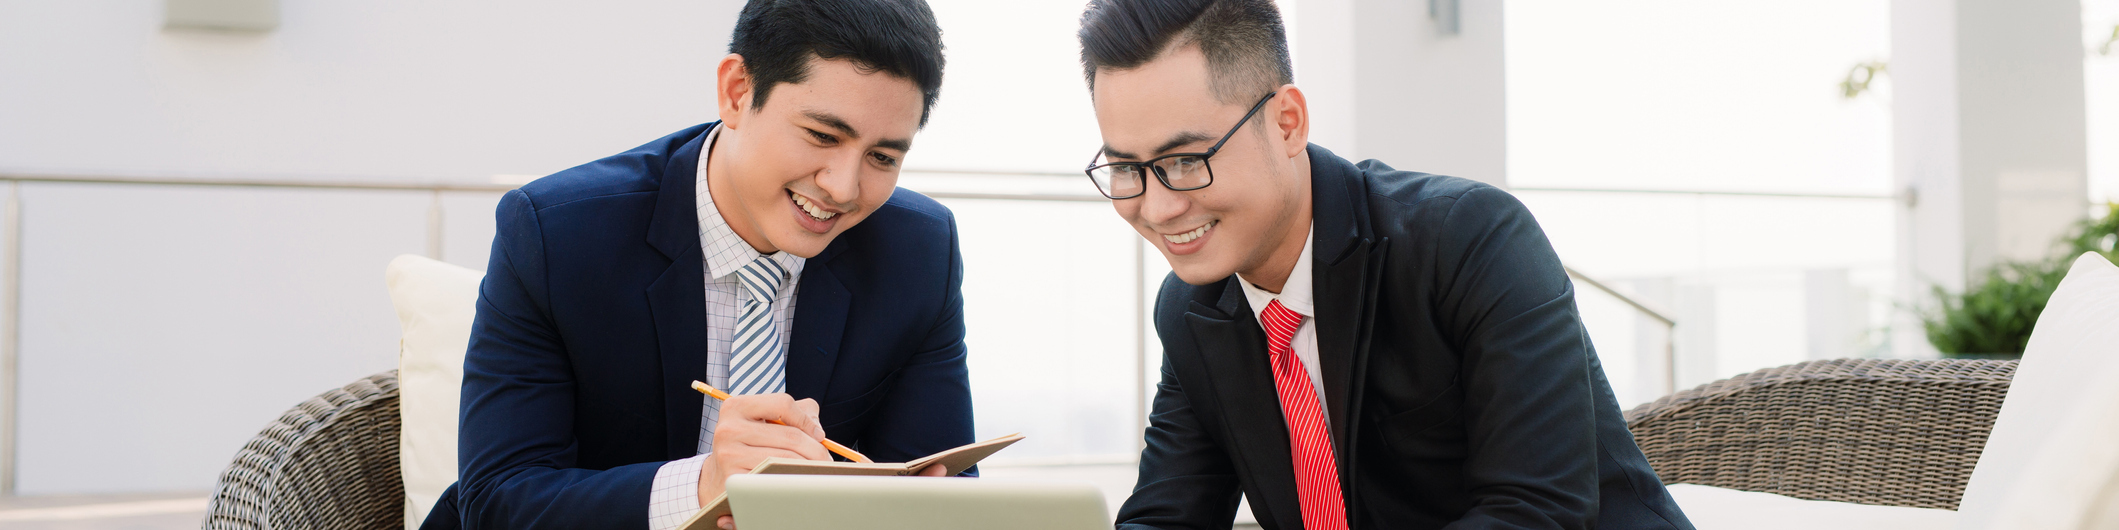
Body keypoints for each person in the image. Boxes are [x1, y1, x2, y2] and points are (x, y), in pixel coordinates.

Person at [1074, 1, 1694, 528]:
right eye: (1126, 169)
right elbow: (1166, 514)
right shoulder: (1193, 308)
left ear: (1286, 123)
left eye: (1186, 160)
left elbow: (1537, 512)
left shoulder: (1470, 239)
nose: (1156, 206)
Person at [423, 1, 970, 529]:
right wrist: (707, 486)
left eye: (883, 157)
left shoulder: (919, 251)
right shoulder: (556, 235)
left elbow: (940, 480)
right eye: (823, 136)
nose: (843, 187)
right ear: (737, 92)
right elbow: (498, 502)